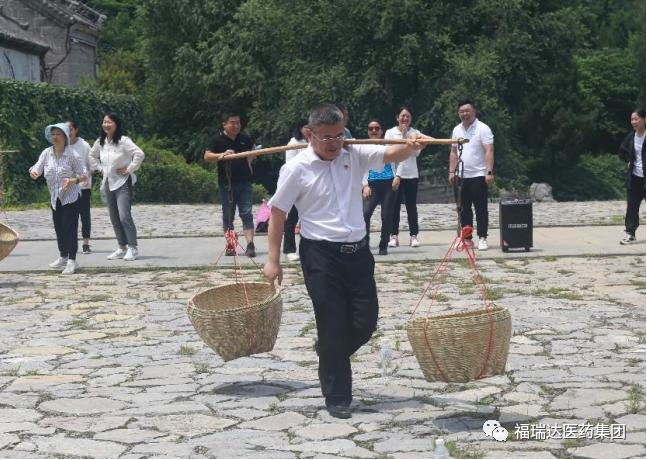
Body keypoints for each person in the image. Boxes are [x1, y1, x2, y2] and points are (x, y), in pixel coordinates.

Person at [263, 103, 426, 419]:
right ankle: (338, 396)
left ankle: (328, 353)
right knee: (332, 322)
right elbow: (278, 213)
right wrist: (273, 260)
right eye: (326, 137)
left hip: (358, 253)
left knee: (365, 321)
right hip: (320, 256)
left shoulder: (355, 154)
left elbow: (391, 156)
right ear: (310, 135)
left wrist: (410, 147)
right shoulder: (296, 168)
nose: (334, 143)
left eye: (339, 135)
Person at [29, 123, 87, 275]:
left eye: (58, 134)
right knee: (59, 228)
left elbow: (84, 175)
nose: (55, 137)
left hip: (71, 197)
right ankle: (63, 256)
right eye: (53, 134)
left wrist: (73, 181)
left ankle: (72, 261)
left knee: (70, 228)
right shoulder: (46, 153)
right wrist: (34, 172)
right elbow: (37, 167)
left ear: (65, 137)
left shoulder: (72, 154)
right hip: (55, 198)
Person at [89, 113, 145, 261]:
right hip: (108, 182)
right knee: (114, 217)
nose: (106, 125)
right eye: (104, 122)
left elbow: (139, 153)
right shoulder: (100, 141)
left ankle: (133, 248)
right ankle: (122, 247)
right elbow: (91, 155)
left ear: (116, 125)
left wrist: (129, 168)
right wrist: (100, 169)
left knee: (124, 216)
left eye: (110, 122)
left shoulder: (123, 141)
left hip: (122, 182)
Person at [204, 112, 257, 257]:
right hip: (226, 184)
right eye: (232, 123)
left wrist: (249, 161)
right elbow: (207, 156)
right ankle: (230, 245)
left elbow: (253, 150)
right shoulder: (217, 140)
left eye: (238, 123)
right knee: (228, 215)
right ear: (225, 124)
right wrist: (221, 155)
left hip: (245, 182)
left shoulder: (244, 138)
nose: (236, 126)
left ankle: (250, 245)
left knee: (246, 213)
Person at [448, 99, 494, 250]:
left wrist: (489, 172)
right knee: (463, 208)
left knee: (480, 207)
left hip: (478, 174)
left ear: (474, 111)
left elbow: (489, 150)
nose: (464, 114)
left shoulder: (483, 128)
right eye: (461, 111)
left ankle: (482, 237)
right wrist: (451, 171)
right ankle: (467, 238)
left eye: (467, 111)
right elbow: (453, 152)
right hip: (461, 175)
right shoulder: (456, 130)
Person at [386, 106, 425, 248]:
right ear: (397, 117)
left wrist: (408, 138)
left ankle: (413, 235)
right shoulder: (390, 133)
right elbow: (389, 152)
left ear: (411, 118)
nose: (405, 119)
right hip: (394, 175)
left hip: (411, 175)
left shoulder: (415, 133)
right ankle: (393, 235)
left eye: (407, 116)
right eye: (402, 116)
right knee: (394, 206)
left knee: (411, 206)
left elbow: (415, 153)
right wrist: (403, 138)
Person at [362, 118, 398, 255]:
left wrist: (397, 176)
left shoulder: (388, 145)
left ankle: (383, 245)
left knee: (386, 216)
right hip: (372, 185)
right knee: (365, 214)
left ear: (381, 131)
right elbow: (361, 169)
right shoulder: (364, 148)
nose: (374, 131)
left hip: (389, 183)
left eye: (377, 128)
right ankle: (364, 244)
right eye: (371, 128)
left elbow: (400, 161)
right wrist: (364, 185)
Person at [618, 108, 646, 244]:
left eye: (636, 119)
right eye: (632, 119)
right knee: (632, 207)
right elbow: (621, 151)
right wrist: (629, 161)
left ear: (644, 119)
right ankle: (630, 234)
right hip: (634, 178)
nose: (633, 122)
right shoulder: (631, 136)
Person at [283, 119, 308, 261]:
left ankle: (308, 249)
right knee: (291, 219)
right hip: (295, 185)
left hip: (311, 186)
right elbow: (290, 166)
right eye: (306, 127)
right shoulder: (293, 144)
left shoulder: (314, 143)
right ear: (300, 128)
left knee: (309, 218)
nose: (309, 130)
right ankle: (289, 249)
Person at [67, 120, 93, 254]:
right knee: (70, 216)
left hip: (83, 186)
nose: (68, 131)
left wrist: (86, 177)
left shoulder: (84, 145)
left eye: (70, 128)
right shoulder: (62, 145)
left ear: (76, 129)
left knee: (84, 215)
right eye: (65, 129)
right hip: (68, 187)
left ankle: (86, 243)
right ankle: (71, 243)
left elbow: (91, 163)